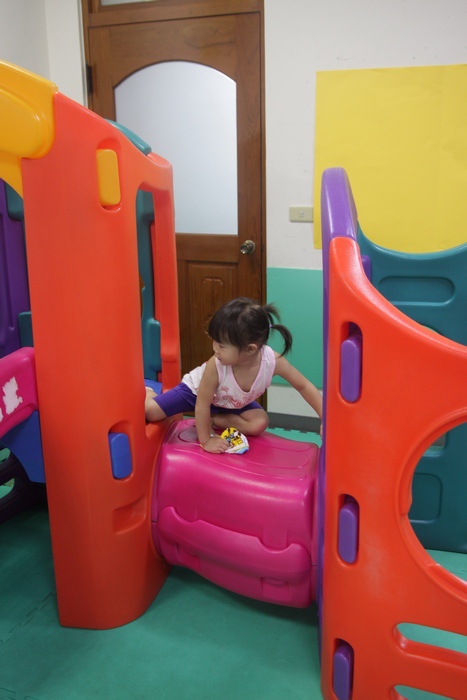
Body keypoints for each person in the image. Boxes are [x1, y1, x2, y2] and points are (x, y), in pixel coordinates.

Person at [145, 297, 323, 454]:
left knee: (260, 422)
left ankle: (216, 419)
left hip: (230, 403)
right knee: (151, 412)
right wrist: (206, 440)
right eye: (214, 341)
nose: (215, 349)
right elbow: (202, 404)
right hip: (195, 394)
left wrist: (325, 419)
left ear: (250, 349)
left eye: (221, 346)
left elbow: (303, 386)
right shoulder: (215, 365)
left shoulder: (273, 362)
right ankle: (149, 393)